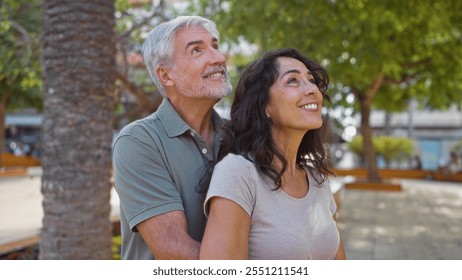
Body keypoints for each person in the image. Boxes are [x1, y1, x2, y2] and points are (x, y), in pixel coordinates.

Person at [200, 48, 347, 260]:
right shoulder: (238, 174)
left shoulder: (318, 180)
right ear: (265, 106)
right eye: (293, 81)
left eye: (311, 80)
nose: (312, 89)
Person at [112, 16, 232, 260]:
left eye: (215, 46)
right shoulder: (138, 142)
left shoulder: (241, 137)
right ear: (166, 76)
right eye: (197, 50)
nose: (218, 58)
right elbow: (176, 252)